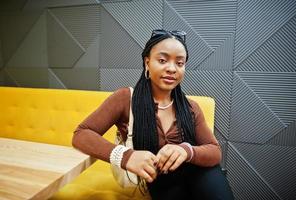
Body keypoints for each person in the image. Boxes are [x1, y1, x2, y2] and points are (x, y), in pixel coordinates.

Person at [72, 29, 234, 200]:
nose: (172, 68)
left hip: (200, 174)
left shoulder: (191, 107)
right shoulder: (125, 99)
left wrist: (186, 150)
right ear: (147, 62)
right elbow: (81, 134)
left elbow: (214, 151)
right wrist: (126, 156)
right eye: (162, 60)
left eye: (180, 63)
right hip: (159, 181)